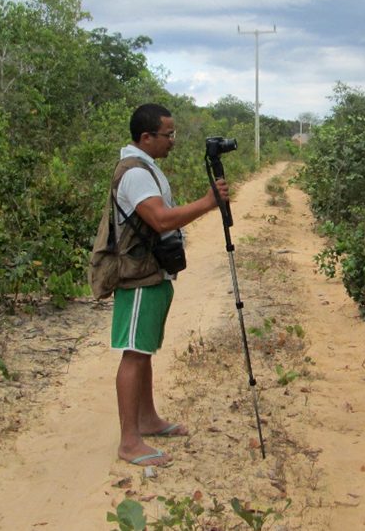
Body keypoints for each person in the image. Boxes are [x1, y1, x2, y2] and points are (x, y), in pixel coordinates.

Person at [111, 103, 229, 467]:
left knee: (144, 349)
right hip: (138, 275)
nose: (173, 141)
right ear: (146, 137)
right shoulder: (134, 173)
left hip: (154, 272)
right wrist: (209, 203)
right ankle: (129, 442)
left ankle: (146, 419)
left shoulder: (147, 167)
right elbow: (160, 220)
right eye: (168, 134)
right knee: (133, 352)